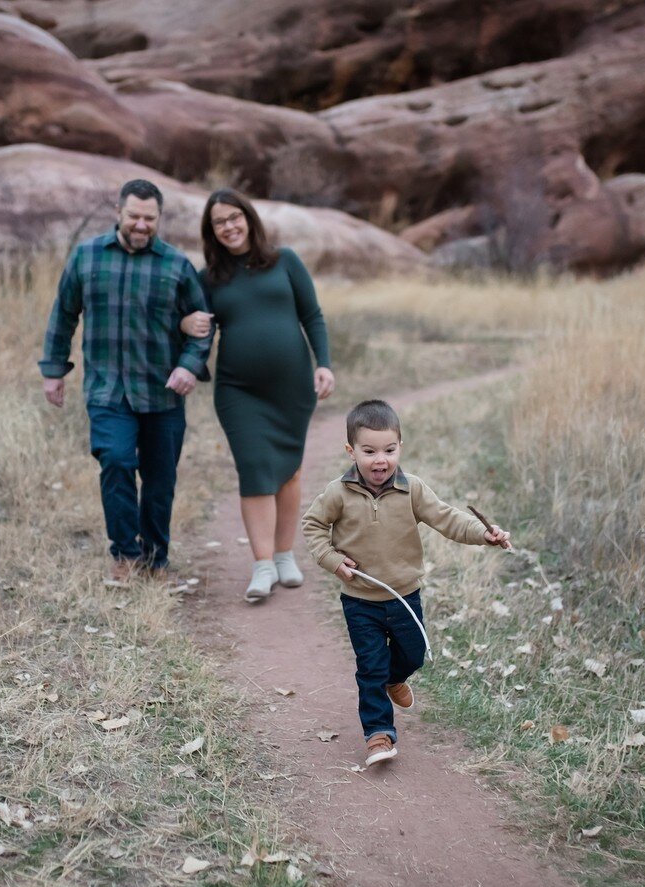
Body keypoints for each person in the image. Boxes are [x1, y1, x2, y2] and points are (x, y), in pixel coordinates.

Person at [302, 399, 512, 768]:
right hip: (360, 599)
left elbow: (448, 519)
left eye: (389, 450)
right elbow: (313, 525)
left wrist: (484, 534)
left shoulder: (411, 489)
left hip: (404, 595)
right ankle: (378, 735)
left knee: (413, 654)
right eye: (369, 451)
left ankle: (394, 678)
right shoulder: (338, 492)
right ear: (351, 451)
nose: (380, 460)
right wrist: (331, 560)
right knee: (370, 667)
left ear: (400, 446)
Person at [40, 179, 213, 581]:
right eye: (134, 215)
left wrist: (188, 365)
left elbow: (202, 327)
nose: (140, 224)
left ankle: (156, 559)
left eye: (149, 218)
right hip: (107, 388)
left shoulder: (176, 265)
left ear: (159, 218)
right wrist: (54, 370)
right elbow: (64, 314)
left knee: (159, 478)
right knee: (116, 461)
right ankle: (125, 554)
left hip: (162, 392)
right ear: (118, 212)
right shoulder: (86, 257)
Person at [179, 188, 334, 601]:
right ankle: (263, 565)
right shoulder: (208, 278)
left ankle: (286, 556)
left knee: (290, 471)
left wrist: (324, 363)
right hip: (239, 390)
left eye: (234, 217)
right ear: (210, 231)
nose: (228, 226)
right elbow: (194, 325)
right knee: (254, 470)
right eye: (218, 222)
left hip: (292, 386)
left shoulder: (285, 261)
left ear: (248, 218)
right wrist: (184, 326)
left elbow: (312, 316)